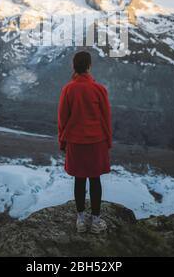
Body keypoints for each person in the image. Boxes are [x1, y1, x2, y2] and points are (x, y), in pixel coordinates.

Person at [58, 51, 112, 234]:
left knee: (79, 179)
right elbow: (106, 119)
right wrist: (108, 142)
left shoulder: (68, 89)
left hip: (75, 141)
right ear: (89, 66)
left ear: (74, 67)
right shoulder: (99, 89)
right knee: (95, 180)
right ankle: (96, 221)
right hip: (96, 141)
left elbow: (62, 119)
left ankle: (81, 219)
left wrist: (62, 141)